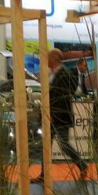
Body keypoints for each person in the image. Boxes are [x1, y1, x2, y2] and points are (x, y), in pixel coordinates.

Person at [32, 49, 88, 183]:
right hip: (53, 116)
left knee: (63, 144)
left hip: (60, 116)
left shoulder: (64, 74)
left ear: (55, 59)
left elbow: (63, 97)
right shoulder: (54, 74)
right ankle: (44, 175)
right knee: (47, 145)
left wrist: (52, 114)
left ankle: (82, 165)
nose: (46, 60)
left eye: (48, 58)